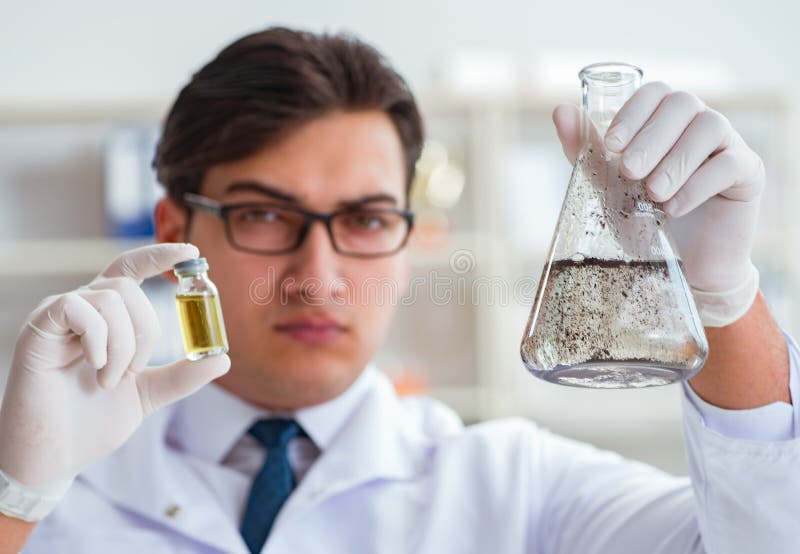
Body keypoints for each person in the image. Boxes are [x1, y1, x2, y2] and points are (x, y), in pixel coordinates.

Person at [0, 27, 798, 554]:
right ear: (175, 233)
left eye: (367, 220)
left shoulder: (518, 488)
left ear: (411, 241)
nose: (318, 277)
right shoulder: (51, 482)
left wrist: (722, 299)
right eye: (265, 215)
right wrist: (17, 498)